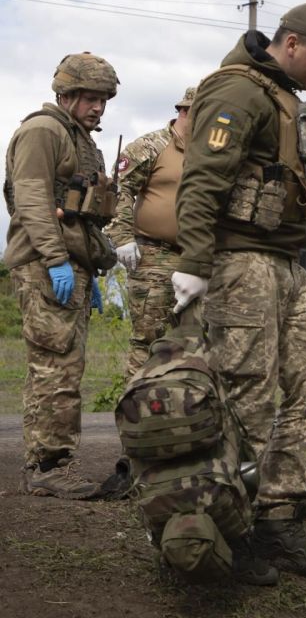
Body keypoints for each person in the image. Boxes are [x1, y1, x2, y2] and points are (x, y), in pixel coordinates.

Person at [170, 2, 306, 574]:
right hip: (240, 260)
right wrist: (195, 263)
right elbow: (202, 179)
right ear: (293, 42)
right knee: (247, 396)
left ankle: (278, 513)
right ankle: (233, 529)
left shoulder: (284, 100)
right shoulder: (238, 92)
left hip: (285, 262)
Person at [4, 52, 120, 499]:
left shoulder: (79, 138)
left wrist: (90, 264)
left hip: (72, 264)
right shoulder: (43, 131)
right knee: (55, 368)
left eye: (103, 100)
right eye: (90, 98)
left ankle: (48, 461)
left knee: (63, 365)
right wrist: (54, 260)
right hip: (45, 263)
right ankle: (50, 465)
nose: (98, 108)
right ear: (66, 94)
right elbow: (32, 199)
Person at [105, 87, 196, 379]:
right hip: (154, 256)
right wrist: (122, 237)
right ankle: (137, 416)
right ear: (184, 111)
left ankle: (177, 415)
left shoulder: (212, 153)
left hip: (196, 259)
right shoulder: (151, 145)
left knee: (192, 341)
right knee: (149, 339)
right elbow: (119, 189)